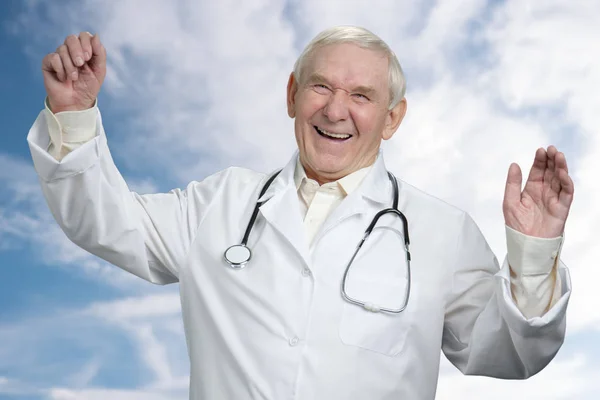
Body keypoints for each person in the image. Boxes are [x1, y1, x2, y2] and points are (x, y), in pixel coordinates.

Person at [27, 26, 574, 400]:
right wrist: (72, 115)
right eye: (321, 86)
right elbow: (104, 221)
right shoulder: (219, 204)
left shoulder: (441, 232)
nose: (336, 110)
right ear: (292, 95)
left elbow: (505, 355)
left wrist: (533, 258)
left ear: (392, 118)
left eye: (361, 95)